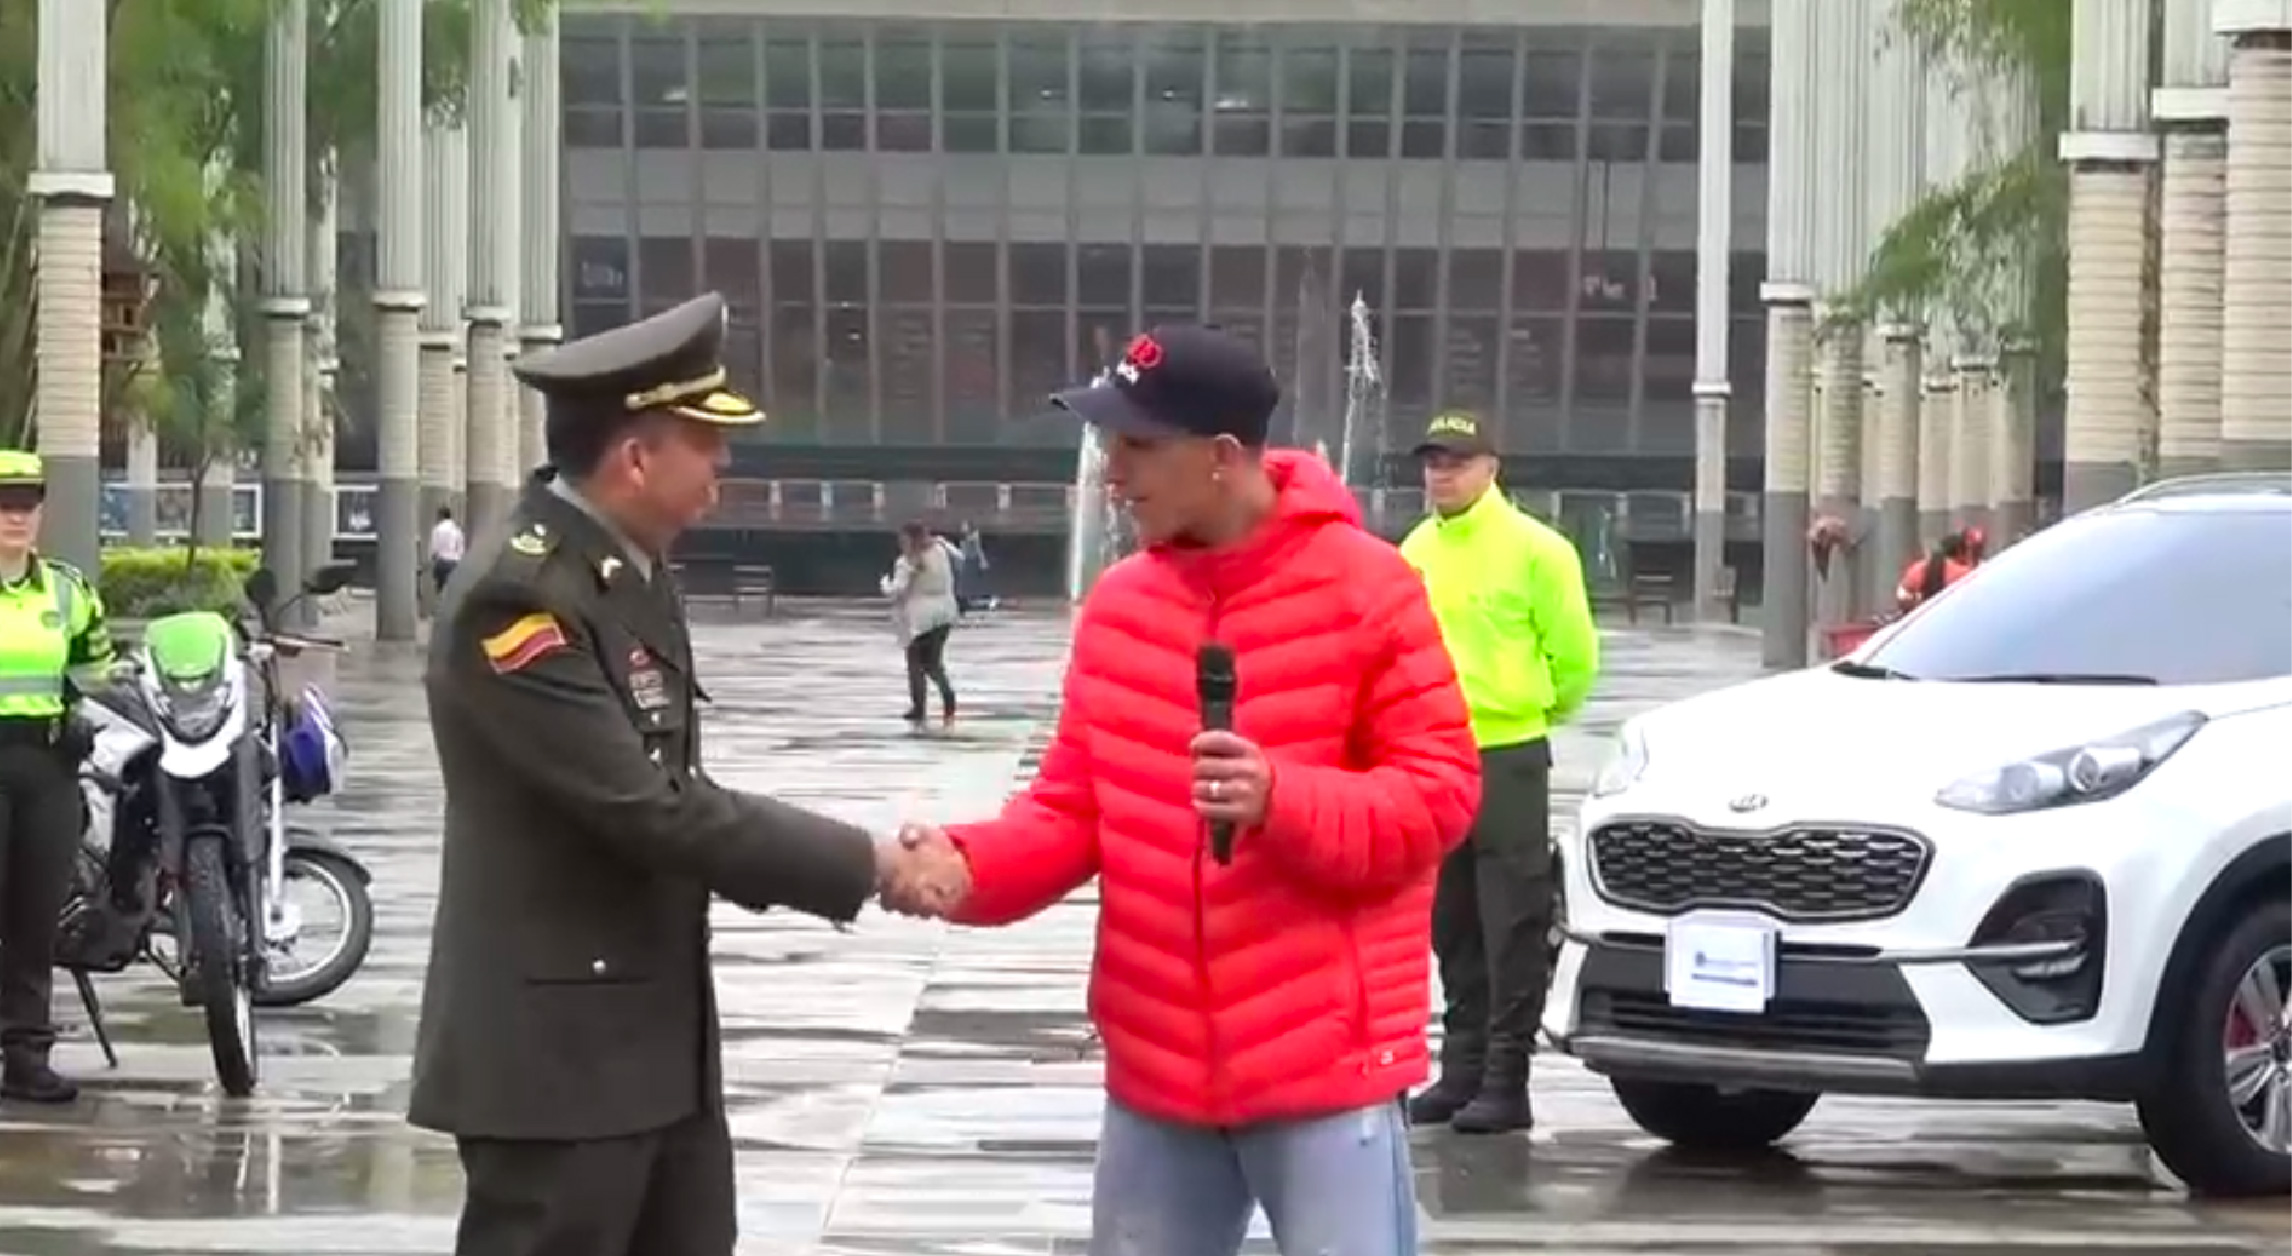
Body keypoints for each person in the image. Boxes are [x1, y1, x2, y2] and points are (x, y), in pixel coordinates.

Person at [887, 326, 1480, 1256]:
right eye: (1109, 444)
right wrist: (965, 865)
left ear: (1222, 456)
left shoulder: (1372, 589)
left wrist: (1283, 799)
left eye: (1138, 446)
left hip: (1326, 1066)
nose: (1113, 474)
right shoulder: (1120, 606)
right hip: (1157, 1068)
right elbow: (1070, 808)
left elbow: (1439, 796)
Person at [409, 293, 947, 1256]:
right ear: (635, 458)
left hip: (653, 1048)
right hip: (557, 1068)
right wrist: (869, 861)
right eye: (705, 442)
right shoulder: (521, 598)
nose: (723, 465)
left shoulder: (620, 567)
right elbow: (652, 810)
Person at [1399, 411, 1599, 1135]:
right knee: (1450, 920)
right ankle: (1460, 1071)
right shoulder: (1415, 550)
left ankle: (1506, 1080)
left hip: (1507, 754)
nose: (1441, 474)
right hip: (1432, 754)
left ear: (1491, 466)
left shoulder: (1539, 550)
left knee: (1510, 920)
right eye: (1432, 462)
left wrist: (1531, 709)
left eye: (1456, 461)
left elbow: (1575, 657)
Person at [0, 450, 115, 1104]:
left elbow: (94, 670)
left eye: (26, 505)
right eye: (3, 505)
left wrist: (77, 715)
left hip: (47, 768)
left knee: (35, 917)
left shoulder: (69, 592)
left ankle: (26, 1057)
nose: (15, 517)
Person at [882, 520, 959, 726]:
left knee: (915, 663)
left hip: (921, 618)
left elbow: (897, 590)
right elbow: (960, 558)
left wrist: (885, 584)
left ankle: (919, 708)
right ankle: (948, 696)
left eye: (903, 539)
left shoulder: (907, 562)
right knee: (934, 662)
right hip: (946, 612)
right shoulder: (941, 549)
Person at [1894, 525, 1986, 611]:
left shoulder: (1920, 568)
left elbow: (1902, 594)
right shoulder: (1966, 574)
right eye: (1972, 551)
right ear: (1960, 552)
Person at [428, 506, 465, 595]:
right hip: (454, 563)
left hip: (441, 562)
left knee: (440, 589)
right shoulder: (457, 530)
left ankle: (440, 599)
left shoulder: (437, 529)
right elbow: (461, 550)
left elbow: (434, 548)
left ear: (441, 516)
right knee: (453, 591)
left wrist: (432, 560)